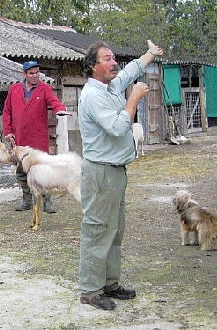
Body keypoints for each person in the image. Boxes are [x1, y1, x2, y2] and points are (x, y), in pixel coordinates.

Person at [77, 40, 163, 310]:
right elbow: (116, 127)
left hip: (115, 172)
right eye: (106, 59)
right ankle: (90, 291)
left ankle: (110, 284)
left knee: (114, 231)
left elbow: (131, 71)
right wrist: (134, 100)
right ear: (93, 66)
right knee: (97, 230)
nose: (114, 63)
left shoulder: (109, 85)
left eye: (113, 58)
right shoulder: (93, 95)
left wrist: (150, 54)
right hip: (101, 173)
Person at [2, 60, 68, 213]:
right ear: (24, 74)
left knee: (43, 170)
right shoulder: (14, 89)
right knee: (21, 170)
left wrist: (60, 109)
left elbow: (54, 101)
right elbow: (7, 112)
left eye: (37, 72)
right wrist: (8, 131)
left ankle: (47, 201)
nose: (35, 76)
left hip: (37, 138)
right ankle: (27, 200)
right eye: (31, 73)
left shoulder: (44, 89)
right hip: (20, 138)